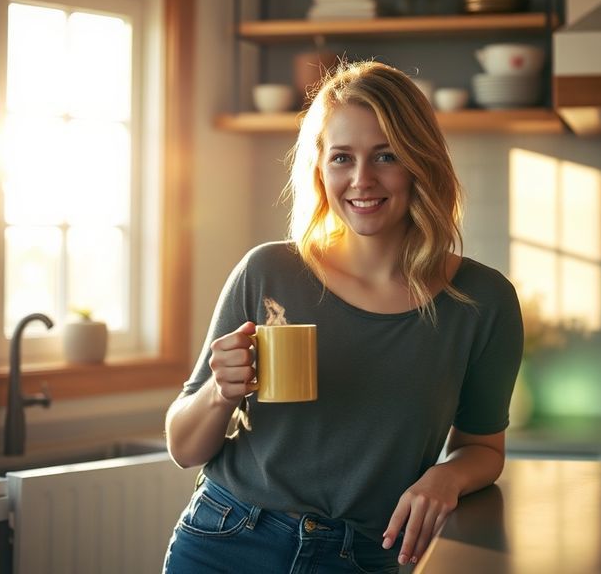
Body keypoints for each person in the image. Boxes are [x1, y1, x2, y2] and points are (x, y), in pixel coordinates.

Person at [163, 60, 523, 574]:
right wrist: (221, 391)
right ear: (319, 169)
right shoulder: (268, 271)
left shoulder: (482, 300)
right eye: (341, 158)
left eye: (386, 155)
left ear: (421, 161)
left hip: (365, 556)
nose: (361, 180)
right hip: (227, 540)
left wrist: (445, 478)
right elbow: (183, 446)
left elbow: (483, 448)